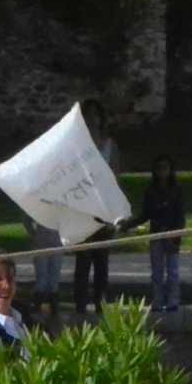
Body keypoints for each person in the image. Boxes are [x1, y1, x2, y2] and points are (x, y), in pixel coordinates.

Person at [120, 155, 186, 315]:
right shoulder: (151, 191)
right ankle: (157, 301)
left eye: (165, 168)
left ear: (171, 170)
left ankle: (173, 302)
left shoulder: (177, 190)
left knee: (173, 272)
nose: (162, 172)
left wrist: (175, 234)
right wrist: (127, 224)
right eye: (159, 168)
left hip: (172, 235)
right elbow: (145, 214)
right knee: (157, 272)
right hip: (156, 234)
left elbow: (181, 216)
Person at [72, 100, 119, 318]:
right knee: (83, 261)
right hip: (83, 208)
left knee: (102, 261)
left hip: (104, 209)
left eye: (95, 115)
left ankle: (101, 304)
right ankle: (80, 306)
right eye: (87, 116)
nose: (92, 120)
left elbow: (115, 178)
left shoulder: (110, 145)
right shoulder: (77, 146)